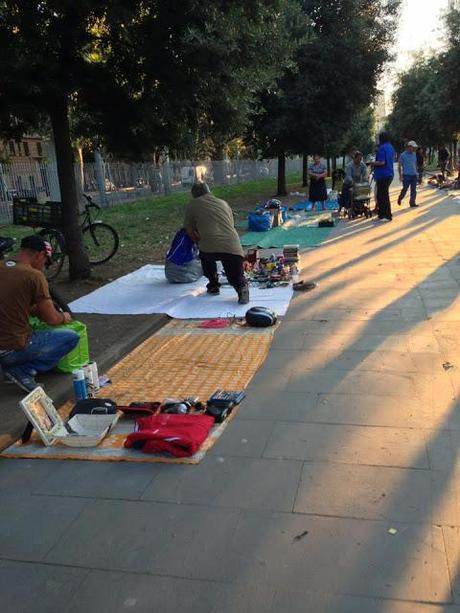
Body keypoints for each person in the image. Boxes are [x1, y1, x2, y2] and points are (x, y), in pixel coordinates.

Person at [0, 236, 79, 392]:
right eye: (45, 261)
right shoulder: (34, 276)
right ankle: (22, 370)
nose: (43, 266)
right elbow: (51, 319)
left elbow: (9, 303)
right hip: (10, 349)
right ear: (40, 255)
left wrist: (33, 309)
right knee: (70, 337)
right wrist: (64, 317)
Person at [184, 183, 249, 304]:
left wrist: (198, 242)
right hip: (233, 245)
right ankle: (242, 288)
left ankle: (213, 285)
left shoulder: (192, 205)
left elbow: (189, 229)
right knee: (235, 275)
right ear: (209, 191)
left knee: (205, 258)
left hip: (209, 246)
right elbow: (230, 223)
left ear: (194, 195)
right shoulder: (223, 203)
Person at [371, 131, 395, 222]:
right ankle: (382, 214)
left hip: (383, 174)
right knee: (382, 195)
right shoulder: (390, 147)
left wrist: (372, 163)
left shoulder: (382, 148)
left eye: (378, 138)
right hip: (389, 173)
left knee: (382, 195)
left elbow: (382, 162)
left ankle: (386, 215)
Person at [397, 140, 419, 208]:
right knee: (405, 189)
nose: (414, 149)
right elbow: (399, 166)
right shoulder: (402, 155)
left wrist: (417, 172)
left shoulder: (414, 154)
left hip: (414, 175)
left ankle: (412, 202)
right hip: (406, 175)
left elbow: (415, 164)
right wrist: (400, 176)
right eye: (413, 147)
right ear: (409, 147)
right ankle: (400, 197)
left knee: (413, 190)